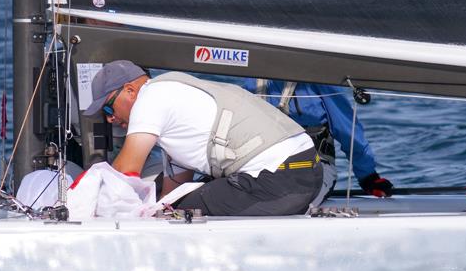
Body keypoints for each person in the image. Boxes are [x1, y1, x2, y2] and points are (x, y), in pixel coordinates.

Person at [82, 61, 323, 216]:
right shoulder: (176, 98)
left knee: (177, 210)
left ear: (130, 90)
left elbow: (124, 171)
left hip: (279, 179)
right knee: (165, 204)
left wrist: (87, 209)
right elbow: (172, 192)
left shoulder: (151, 97)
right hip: (305, 171)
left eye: (109, 109)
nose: (111, 119)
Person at [244, 79, 393, 198]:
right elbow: (347, 130)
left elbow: (347, 130)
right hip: (266, 170)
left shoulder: (317, 77)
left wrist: (368, 177)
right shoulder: (253, 78)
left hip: (305, 171)